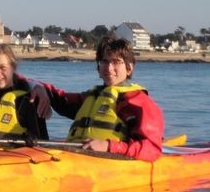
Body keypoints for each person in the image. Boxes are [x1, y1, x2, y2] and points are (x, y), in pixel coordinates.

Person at [34, 36, 164, 161]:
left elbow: (151, 149)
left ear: (129, 68)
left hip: (110, 165)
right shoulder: (90, 98)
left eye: (116, 62)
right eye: (104, 61)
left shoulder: (138, 102)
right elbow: (58, 98)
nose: (109, 68)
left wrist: (108, 146)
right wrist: (37, 87)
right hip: (75, 158)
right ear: (98, 67)